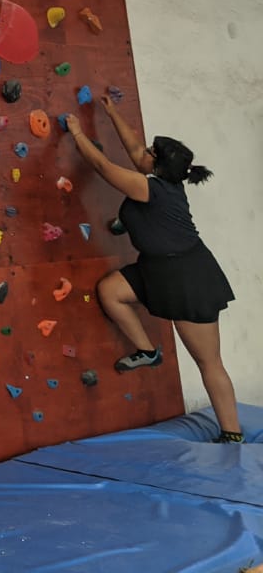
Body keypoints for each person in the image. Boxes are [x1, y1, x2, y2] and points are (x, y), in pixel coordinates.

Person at [66, 96, 241, 444]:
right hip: (156, 268)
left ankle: (232, 433)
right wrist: (112, 112)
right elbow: (134, 148)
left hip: (188, 277)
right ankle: (148, 352)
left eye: (149, 152)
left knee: (208, 362)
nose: (142, 151)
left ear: (156, 164)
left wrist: (77, 132)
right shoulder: (159, 179)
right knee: (111, 292)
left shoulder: (151, 188)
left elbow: (102, 166)